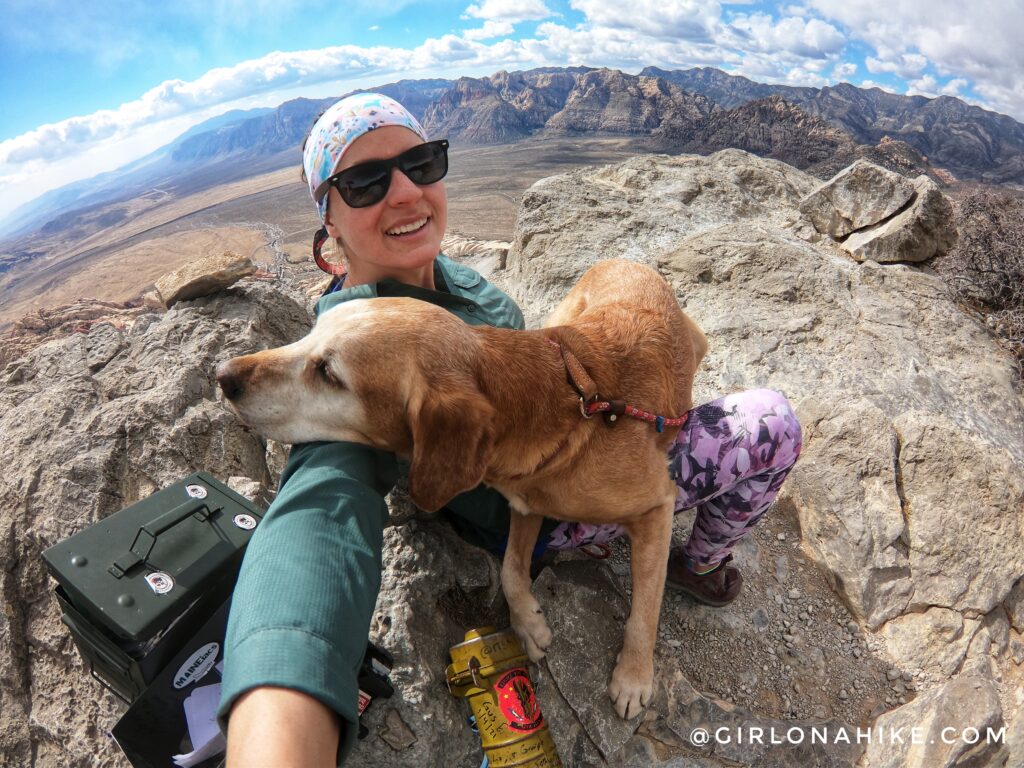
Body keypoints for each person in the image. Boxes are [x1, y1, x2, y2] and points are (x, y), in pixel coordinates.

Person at [218, 92, 802, 768]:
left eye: (421, 162)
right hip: (551, 517)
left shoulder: (457, 288)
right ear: (330, 219)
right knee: (774, 424)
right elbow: (318, 514)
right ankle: (698, 563)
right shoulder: (364, 345)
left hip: (565, 453)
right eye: (366, 182)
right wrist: (281, 698)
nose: (405, 192)